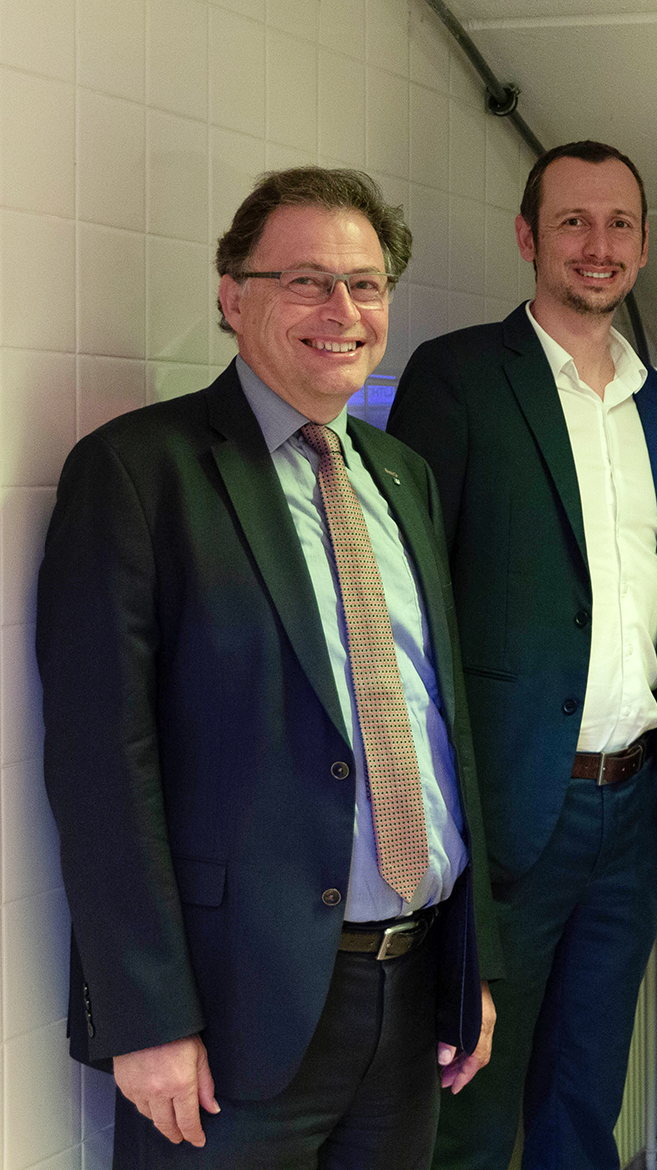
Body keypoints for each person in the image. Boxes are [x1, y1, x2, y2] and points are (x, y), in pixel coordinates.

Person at [36, 166, 500, 1167]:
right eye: (305, 281)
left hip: (412, 990)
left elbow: (434, 728)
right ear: (230, 296)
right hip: (233, 1013)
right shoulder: (137, 473)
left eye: (366, 285)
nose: (342, 311)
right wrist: (145, 1015)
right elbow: (99, 764)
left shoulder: (399, 475)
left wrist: (472, 965)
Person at [387, 140, 657, 1170]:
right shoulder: (461, 378)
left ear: (644, 246)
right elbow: (415, 606)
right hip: (514, 815)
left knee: (583, 1101)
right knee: (472, 1104)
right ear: (528, 237)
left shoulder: (648, 400)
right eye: (571, 221)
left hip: (631, 809)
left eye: (617, 224)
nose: (596, 245)